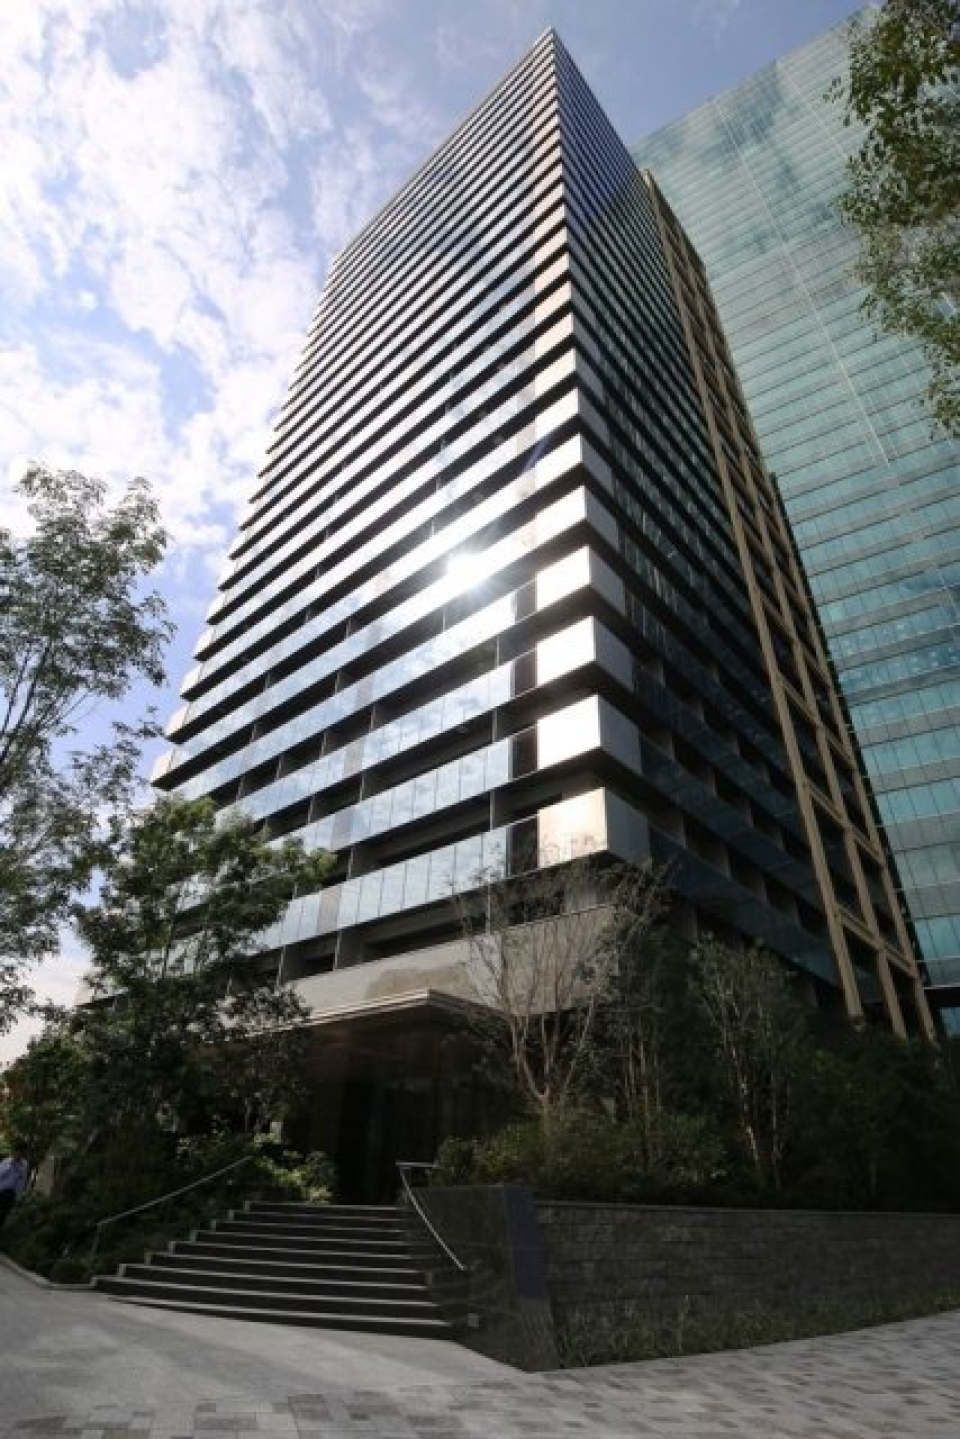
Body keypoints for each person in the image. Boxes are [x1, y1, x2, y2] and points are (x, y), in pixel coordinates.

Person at [0, 1155, 30, 1227]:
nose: (17, 1155)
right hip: (2, 1190)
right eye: (16, 1152)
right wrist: (10, 1166)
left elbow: (22, 1180)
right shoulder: (6, 1161)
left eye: (20, 1153)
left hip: (12, 1193)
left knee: (3, 1214)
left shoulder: (24, 1164)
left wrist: (18, 1195)